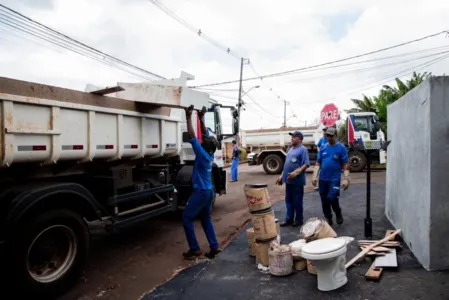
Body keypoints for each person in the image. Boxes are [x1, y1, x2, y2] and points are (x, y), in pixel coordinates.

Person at [182, 105, 222, 260]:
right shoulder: (210, 153)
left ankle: (194, 248)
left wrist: (188, 116)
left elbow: (192, 136)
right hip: (209, 192)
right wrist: (201, 117)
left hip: (200, 192)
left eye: (204, 140)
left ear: (205, 145)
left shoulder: (201, 153)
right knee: (206, 220)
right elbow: (205, 134)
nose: (203, 139)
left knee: (186, 218)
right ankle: (214, 247)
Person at [311, 127, 350, 226]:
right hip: (323, 178)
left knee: (332, 197)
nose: (329, 137)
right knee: (324, 199)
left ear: (335, 135)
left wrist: (346, 178)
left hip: (334, 178)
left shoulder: (341, 148)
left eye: (331, 136)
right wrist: (314, 175)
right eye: (327, 135)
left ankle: (338, 213)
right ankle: (328, 217)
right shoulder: (323, 147)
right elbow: (318, 162)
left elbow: (345, 163)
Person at [276, 131, 310, 227]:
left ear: (299, 139)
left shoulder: (303, 150)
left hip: (297, 182)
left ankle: (299, 219)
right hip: (288, 181)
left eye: (294, 137)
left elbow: (306, 164)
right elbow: (286, 165)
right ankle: (289, 219)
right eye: (292, 137)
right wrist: (281, 176)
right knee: (288, 200)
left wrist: (296, 172)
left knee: (297, 201)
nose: (291, 138)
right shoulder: (290, 149)